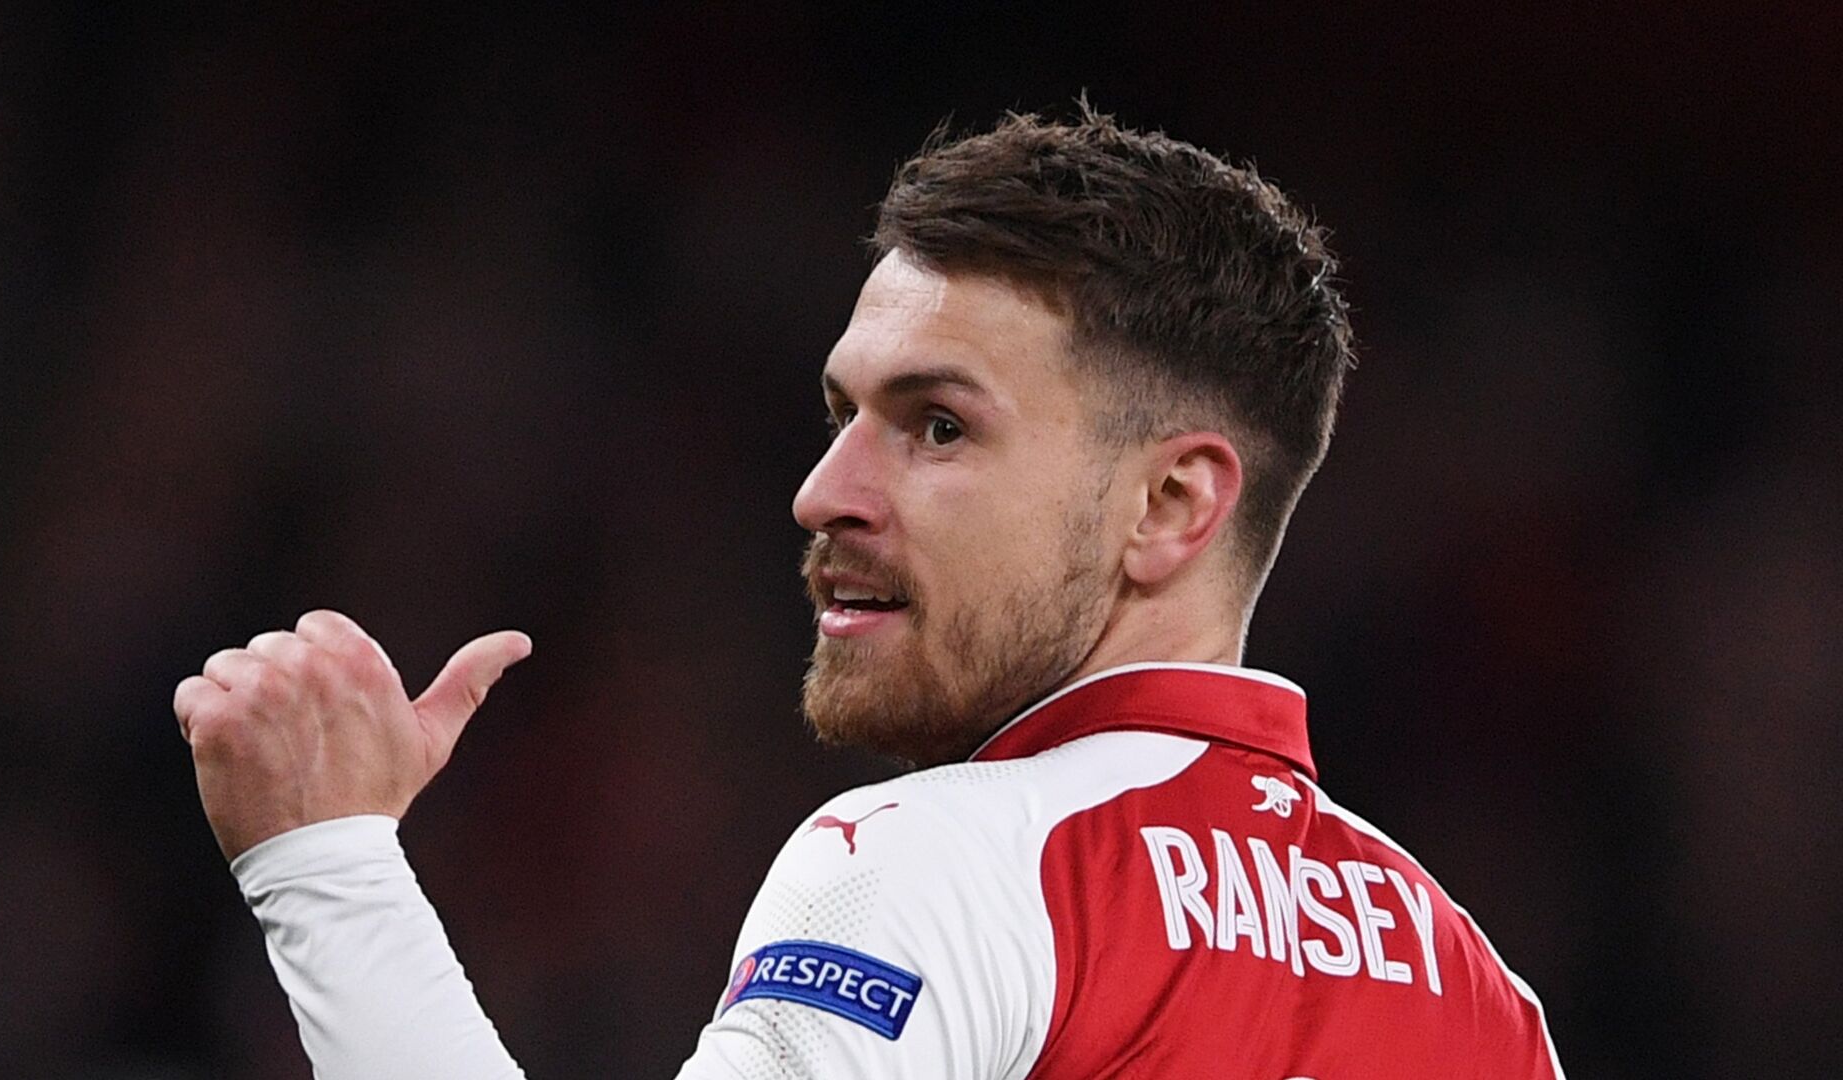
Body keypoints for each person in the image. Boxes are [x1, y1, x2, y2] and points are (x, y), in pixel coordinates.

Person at [174, 104, 1565, 1078]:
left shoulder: (939, 866)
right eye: (845, 413)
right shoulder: (1482, 998)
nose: (823, 491)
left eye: (938, 426)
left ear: (1171, 505)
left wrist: (327, 867)